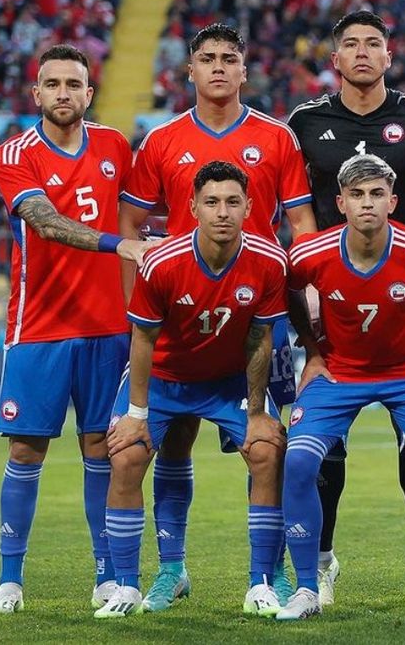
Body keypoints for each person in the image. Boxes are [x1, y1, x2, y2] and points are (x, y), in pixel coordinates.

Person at [118, 23, 315, 611]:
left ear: (245, 70)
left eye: (231, 59)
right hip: (180, 320)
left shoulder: (276, 138)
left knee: (272, 443)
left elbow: (302, 231)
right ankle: (170, 570)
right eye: (208, 59)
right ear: (191, 71)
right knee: (170, 444)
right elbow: (131, 230)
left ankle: (274, 574)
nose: (220, 69)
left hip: (259, 323)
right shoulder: (161, 141)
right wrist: (143, 308)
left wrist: (305, 320)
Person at [0, 44, 156, 615]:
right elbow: (46, 222)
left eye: (73, 84)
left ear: (88, 92)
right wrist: (118, 243)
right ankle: (11, 580)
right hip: (39, 327)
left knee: (100, 450)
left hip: (110, 327)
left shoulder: (113, 146)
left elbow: (140, 214)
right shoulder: (14, 153)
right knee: (28, 450)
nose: (62, 93)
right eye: (51, 83)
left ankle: (106, 576)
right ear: (36, 93)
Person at [286, 9, 405, 605]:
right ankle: (321, 564)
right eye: (350, 44)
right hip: (329, 297)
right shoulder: (304, 123)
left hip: (404, 294)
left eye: (372, 44)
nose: (361, 53)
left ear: (389, 55)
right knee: (323, 449)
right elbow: (294, 200)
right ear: (334, 59)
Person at [94, 161, 289, 618]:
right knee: (125, 454)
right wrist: (137, 414)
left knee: (266, 450)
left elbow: (260, 338)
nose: (223, 212)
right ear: (192, 207)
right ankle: (127, 585)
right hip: (164, 378)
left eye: (232, 202)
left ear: (249, 207)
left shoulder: (269, 260)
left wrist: (257, 411)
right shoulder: (161, 262)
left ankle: (262, 579)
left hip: (227, 381)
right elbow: (142, 339)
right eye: (212, 202)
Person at [277, 154, 405, 620]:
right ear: (340, 203)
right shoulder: (309, 253)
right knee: (298, 461)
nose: (367, 204)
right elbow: (287, 289)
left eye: (377, 194)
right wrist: (312, 351)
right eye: (357, 195)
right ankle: (306, 587)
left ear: (393, 201)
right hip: (338, 372)